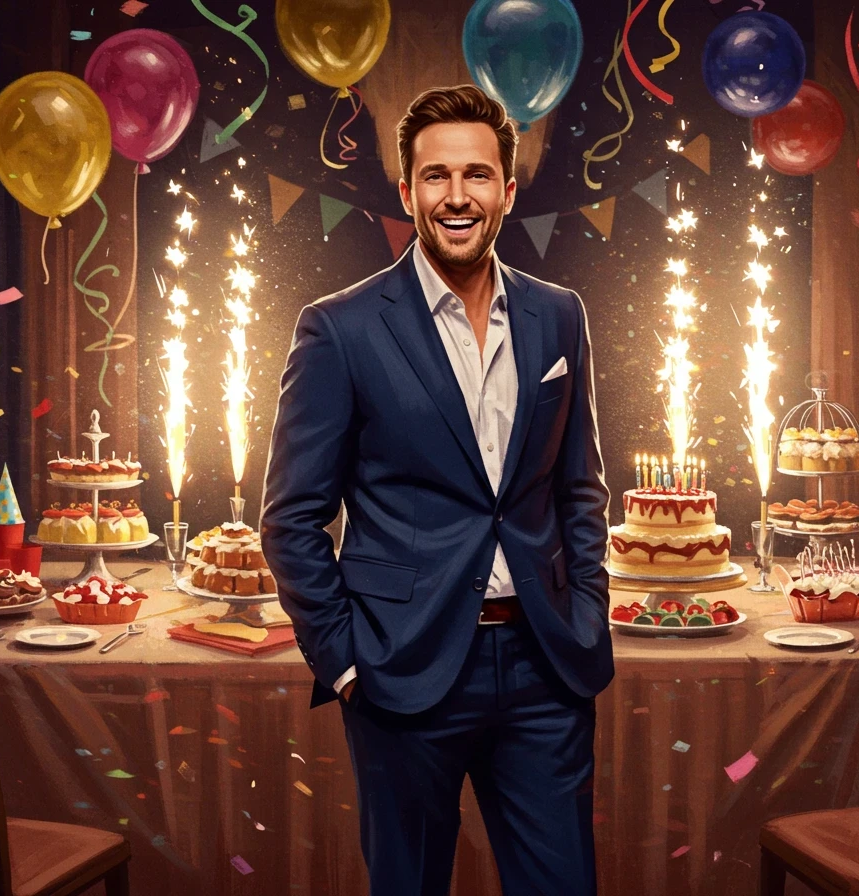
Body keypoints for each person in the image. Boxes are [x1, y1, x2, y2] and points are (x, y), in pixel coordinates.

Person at [261, 84, 612, 896]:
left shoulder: (559, 316)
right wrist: (346, 663)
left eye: (478, 176)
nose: (458, 196)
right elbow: (292, 519)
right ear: (407, 190)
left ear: (509, 191)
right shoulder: (339, 328)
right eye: (436, 177)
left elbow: (580, 486)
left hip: (544, 665)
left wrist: (584, 612)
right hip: (401, 671)